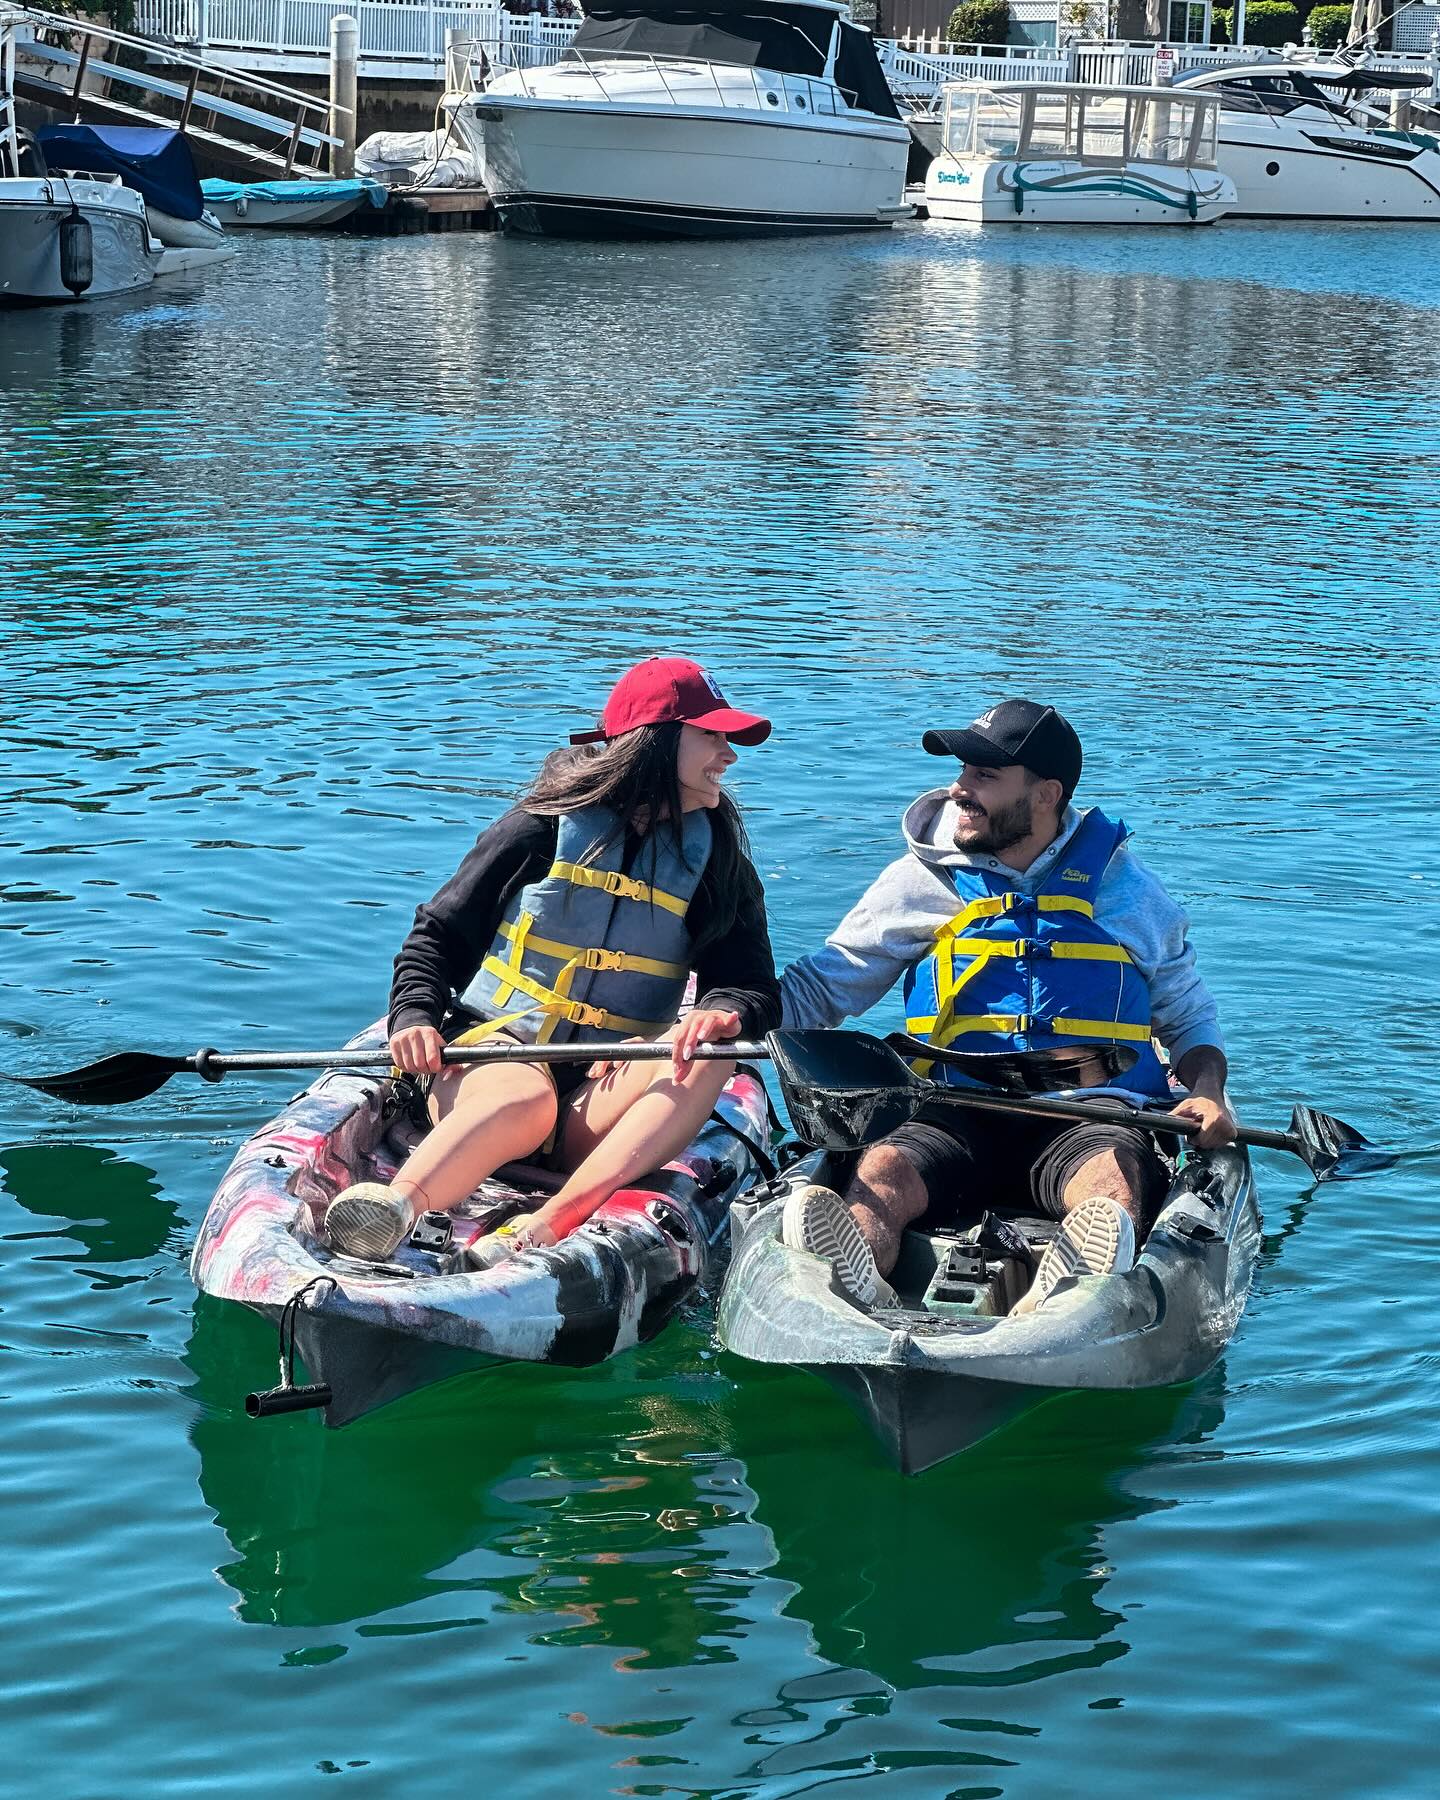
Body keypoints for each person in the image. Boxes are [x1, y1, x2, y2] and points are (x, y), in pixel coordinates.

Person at [778, 699, 1237, 1313]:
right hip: (952, 1106)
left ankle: (1068, 1297)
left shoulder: (1127, 891)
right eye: (963, 771)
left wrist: (1207, 1092)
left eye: (984, 777)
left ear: (1046, 794)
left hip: (1088, 1113)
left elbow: (1189, 1020)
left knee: (1108, 1186)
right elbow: (824, 987)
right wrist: (731, 1013)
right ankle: (849, 1286)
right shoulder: (921, 880)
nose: (960, 789)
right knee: (882, 1171)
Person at [324, 656, 781, 1264]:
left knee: (713, 1056)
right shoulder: (539, 828)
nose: (728, 755)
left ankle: (554, 1219)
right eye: (712, 736)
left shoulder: (718, 860)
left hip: (605, 1097)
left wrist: (724, 1012)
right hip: (495, 1058)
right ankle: (394, 1209)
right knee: (524, 1099)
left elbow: (750, 986)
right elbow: (438, 935)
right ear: (655, 741)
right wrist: (413, 1016)